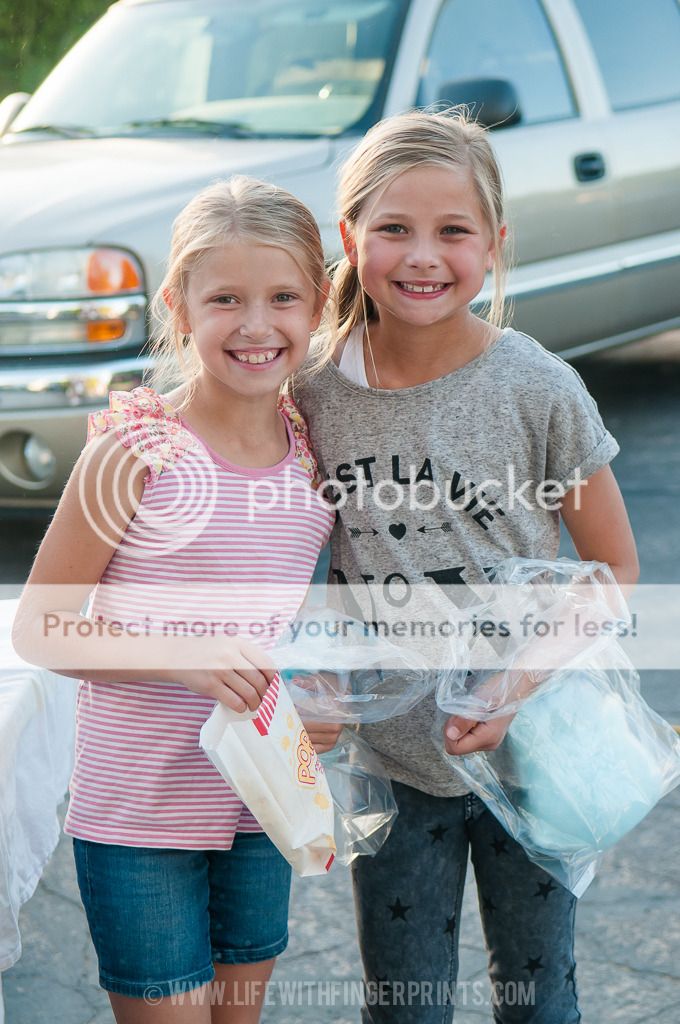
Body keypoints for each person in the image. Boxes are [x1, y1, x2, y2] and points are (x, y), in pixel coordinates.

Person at [294, 109, 639, 1023]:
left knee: (540, 1001)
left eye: (453, 231)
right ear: (350, 238)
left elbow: (612, 568)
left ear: (494, 243)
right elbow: (307, 563)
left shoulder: (537, 387)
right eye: (395, 229)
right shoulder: (313, 394)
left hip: (535, 758)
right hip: (394, 768)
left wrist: (515, 685)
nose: (423, 256)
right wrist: (314, 670)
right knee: (402, 1006)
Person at [12, 176, 334, 1024]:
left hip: (262, 803)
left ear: (320, 302)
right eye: (225, 298)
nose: (257, 325)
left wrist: (315, 698)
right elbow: (41, 627)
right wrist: (183, 659)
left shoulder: (313, 455)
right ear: (179, 306)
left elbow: (286, 620)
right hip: (138, 819)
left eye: (283, 298)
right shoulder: (139, 449)